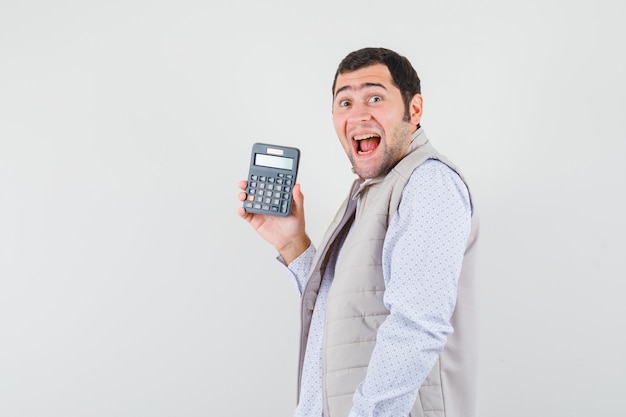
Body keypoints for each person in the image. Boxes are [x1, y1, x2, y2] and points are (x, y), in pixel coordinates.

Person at [237, 47, 479, 417]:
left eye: (375, 97)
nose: (357, 114)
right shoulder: (372, 190)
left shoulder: (428, 182)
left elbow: (417, 328)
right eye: (344, 102)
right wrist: (292, 243)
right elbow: (344, 312)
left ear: (414, 110)